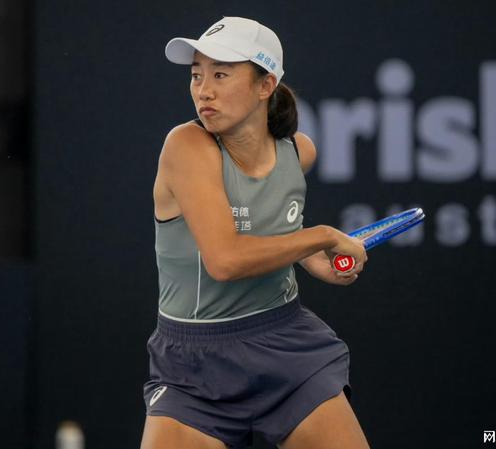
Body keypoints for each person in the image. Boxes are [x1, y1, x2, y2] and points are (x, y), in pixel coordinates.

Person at [141, 16, 370, 449]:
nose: (203, 90)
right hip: (193, 367)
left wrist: (306, 256)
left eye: (221, 74)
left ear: (265, 85)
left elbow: (276, 220)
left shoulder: (298, 152)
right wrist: (322, 237)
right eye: (196, 75)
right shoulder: (185, 145)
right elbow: (226, 261)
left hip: (286, 347)